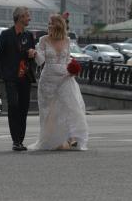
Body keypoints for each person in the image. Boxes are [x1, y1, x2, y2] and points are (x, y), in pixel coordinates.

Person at [28, 14, 88, 151]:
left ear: (58, 25)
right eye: (48, 23)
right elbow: (41, 60)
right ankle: (52, 140)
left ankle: (73, 137)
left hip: (65, 78)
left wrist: (72, 69)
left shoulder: (67, 40)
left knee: (72, 107)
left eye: (51, 23)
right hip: (48, 80)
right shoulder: (43, 40)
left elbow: (67, 59)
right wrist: (36, 53)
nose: (48, 25)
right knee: (49, 111)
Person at [0, 7, 36, 152]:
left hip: (25, 78)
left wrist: (31, 54)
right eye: (27, 16)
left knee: (23, 109)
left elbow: (32, 56)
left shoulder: (29, 36)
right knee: (13, 106)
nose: (29, 19)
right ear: (19, 17)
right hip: (10, 77)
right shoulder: (6, 35)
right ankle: (16, 141)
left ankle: (20, 140)